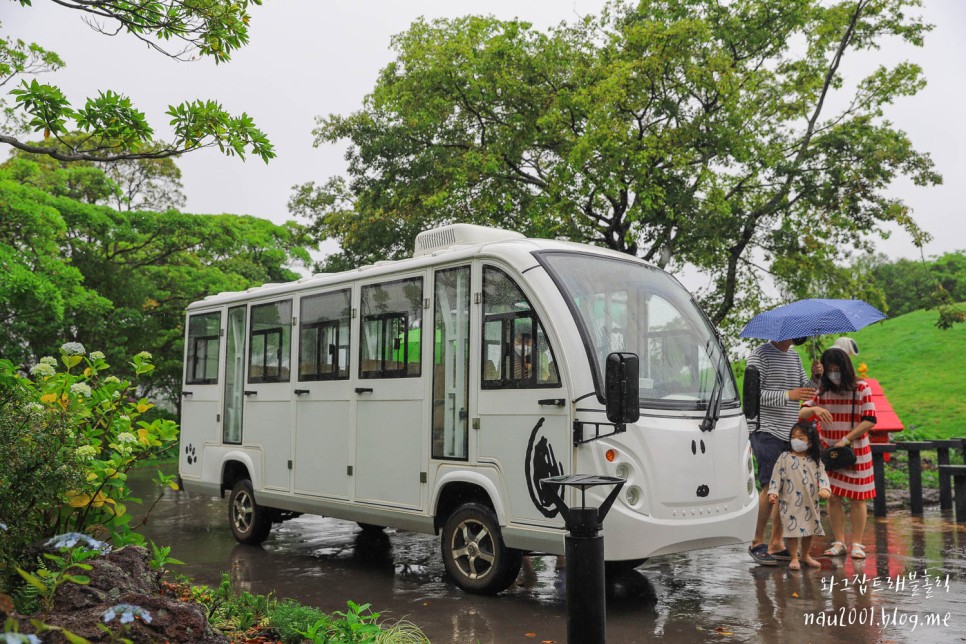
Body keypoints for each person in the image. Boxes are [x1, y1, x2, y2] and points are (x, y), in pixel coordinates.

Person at [746, 337, 822, 565]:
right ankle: (757, 542)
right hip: (765, 429)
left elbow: (805, 392)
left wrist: (815, 379)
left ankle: (776, 543)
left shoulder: (794, 356)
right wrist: (789, 395)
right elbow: (752, 396)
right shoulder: (759, 355)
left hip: (788, 431)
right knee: (770, 485)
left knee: (786, 489)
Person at [799, 348, 877, 559]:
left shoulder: (861, 388)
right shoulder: (822, 390)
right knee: (833, 498)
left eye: (837, 368)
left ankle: (858, 544)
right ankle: (839, 541)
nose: (834, 373)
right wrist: (814, 410)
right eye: (829, 369)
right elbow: (801, 413)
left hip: (855, 450)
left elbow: (870, 419)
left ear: (845, 368)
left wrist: (847, 439)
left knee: (858, 499)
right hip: (829, 452)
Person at [768, 421, 831, 570]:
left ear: (810, 443)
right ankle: (794, 557)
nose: (796, 440)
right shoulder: (784, 457)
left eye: (801, 438)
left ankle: (806, 555)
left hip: (810, 501)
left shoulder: (814, 460)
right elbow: (776, 476)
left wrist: (825, 488)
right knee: (792, 530)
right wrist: (773, 492)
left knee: (809, 527)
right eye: (794, 437)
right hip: (789, 501)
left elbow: (822, 475)